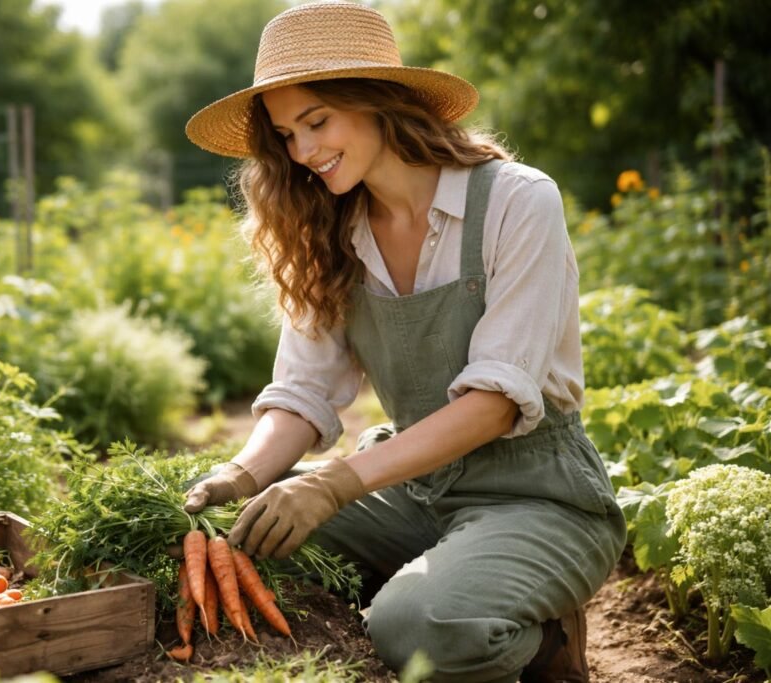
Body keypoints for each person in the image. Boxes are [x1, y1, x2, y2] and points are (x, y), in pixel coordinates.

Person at [181, 2, 626, 681]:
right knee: (240, 542)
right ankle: (445, 580)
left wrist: (334, 484)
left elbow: (494, 405)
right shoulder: (330, 229)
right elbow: (302, 392)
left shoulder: (516, 201)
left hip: (536, 495)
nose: (303, 152)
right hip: (412, 487)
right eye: (287, 135)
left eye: (317, 121)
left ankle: (543, 642)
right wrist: (240, 475)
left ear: (380, 102)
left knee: (414, 627)